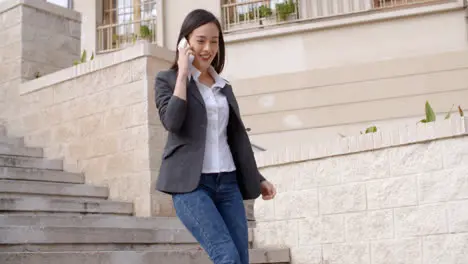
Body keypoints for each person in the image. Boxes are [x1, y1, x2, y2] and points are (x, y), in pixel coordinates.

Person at [153, 8, 277, 264]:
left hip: (228, 183)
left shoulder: (223, 86)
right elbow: (172, 121)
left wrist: (258, 177)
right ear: (185, 43)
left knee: (241, 259)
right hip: (192, 187)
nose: (208, 48)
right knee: (227, 256)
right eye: (200, 41)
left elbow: (234, 138)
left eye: (214, 41)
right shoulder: (167, 80)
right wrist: (184, 74)